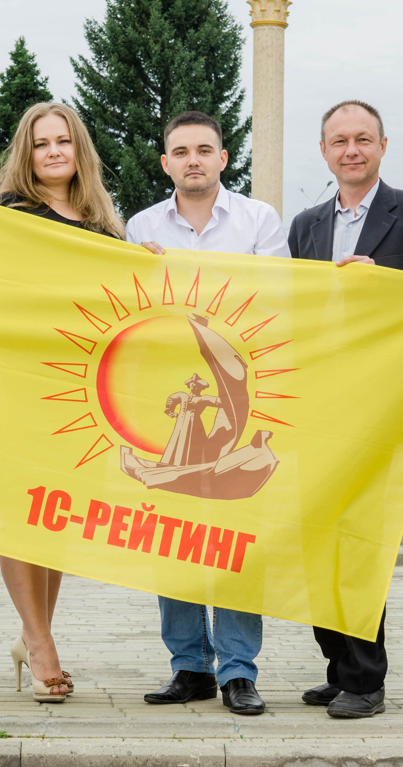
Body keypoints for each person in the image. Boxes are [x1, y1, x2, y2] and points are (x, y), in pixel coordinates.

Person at [287, 99, 403, 720]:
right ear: (324, 151)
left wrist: (380, 284)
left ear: (383, 146)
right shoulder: (305, 226)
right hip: (319, 404)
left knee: (360, 542)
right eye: (339, 140)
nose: (351, 150)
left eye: (363, 139)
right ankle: (338, 666)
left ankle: (366, 678)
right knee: (318, 540)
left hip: (385, 405)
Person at [123, 110, 288, 718]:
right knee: (173, 535)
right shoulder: (140, 227)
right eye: (181, 151)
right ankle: (189, 665)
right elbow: (127, 310)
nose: (193, 159)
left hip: (241, 389)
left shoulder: (258, 220)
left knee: (236, 536)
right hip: (166, 393)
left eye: (204, 149)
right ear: (165, 162)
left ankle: (238, 670)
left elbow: (279, 297)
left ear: (223, 158)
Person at [0, 101, 134, 703]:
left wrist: (146, 265)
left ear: (79, 151)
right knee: (20, 516)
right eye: (41, 143)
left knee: (57, 518)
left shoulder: (103, 224)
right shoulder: (7, 213)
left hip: (80, 393)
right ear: (27, 153)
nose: (53, 152)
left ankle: (32, 635)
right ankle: (42, 645)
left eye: (63, 141)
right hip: (21, 384)